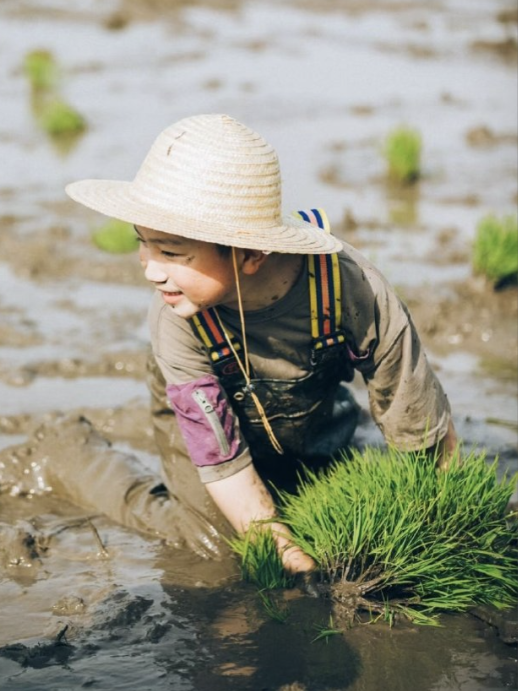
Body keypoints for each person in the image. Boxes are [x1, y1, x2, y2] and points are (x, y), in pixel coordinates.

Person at [58, 113, 458, 578]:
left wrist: (438, 516)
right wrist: (283, 551)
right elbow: (220, 458)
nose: (150, 269)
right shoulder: (175, 318)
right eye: (143, 243)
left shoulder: (348, 287)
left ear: (250, 252)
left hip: (304, 411)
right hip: (206, 412)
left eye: (171, 252)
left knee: (317, 487)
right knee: (221, 547)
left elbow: (412, 406)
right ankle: (71, 456)